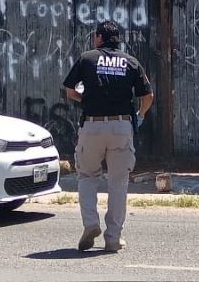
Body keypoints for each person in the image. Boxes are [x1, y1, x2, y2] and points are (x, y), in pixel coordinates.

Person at [63, 20, 153, 253]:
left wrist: (88, 100)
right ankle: (113, 238)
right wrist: (140, 115)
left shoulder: (87, 58)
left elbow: (70, 91)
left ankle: (91, 223)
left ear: (100, 37)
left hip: (92, 126)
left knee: (87, 175)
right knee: (118, 182)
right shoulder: (130, 61)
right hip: (122, 126)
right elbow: (148, 95)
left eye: (96, 37)